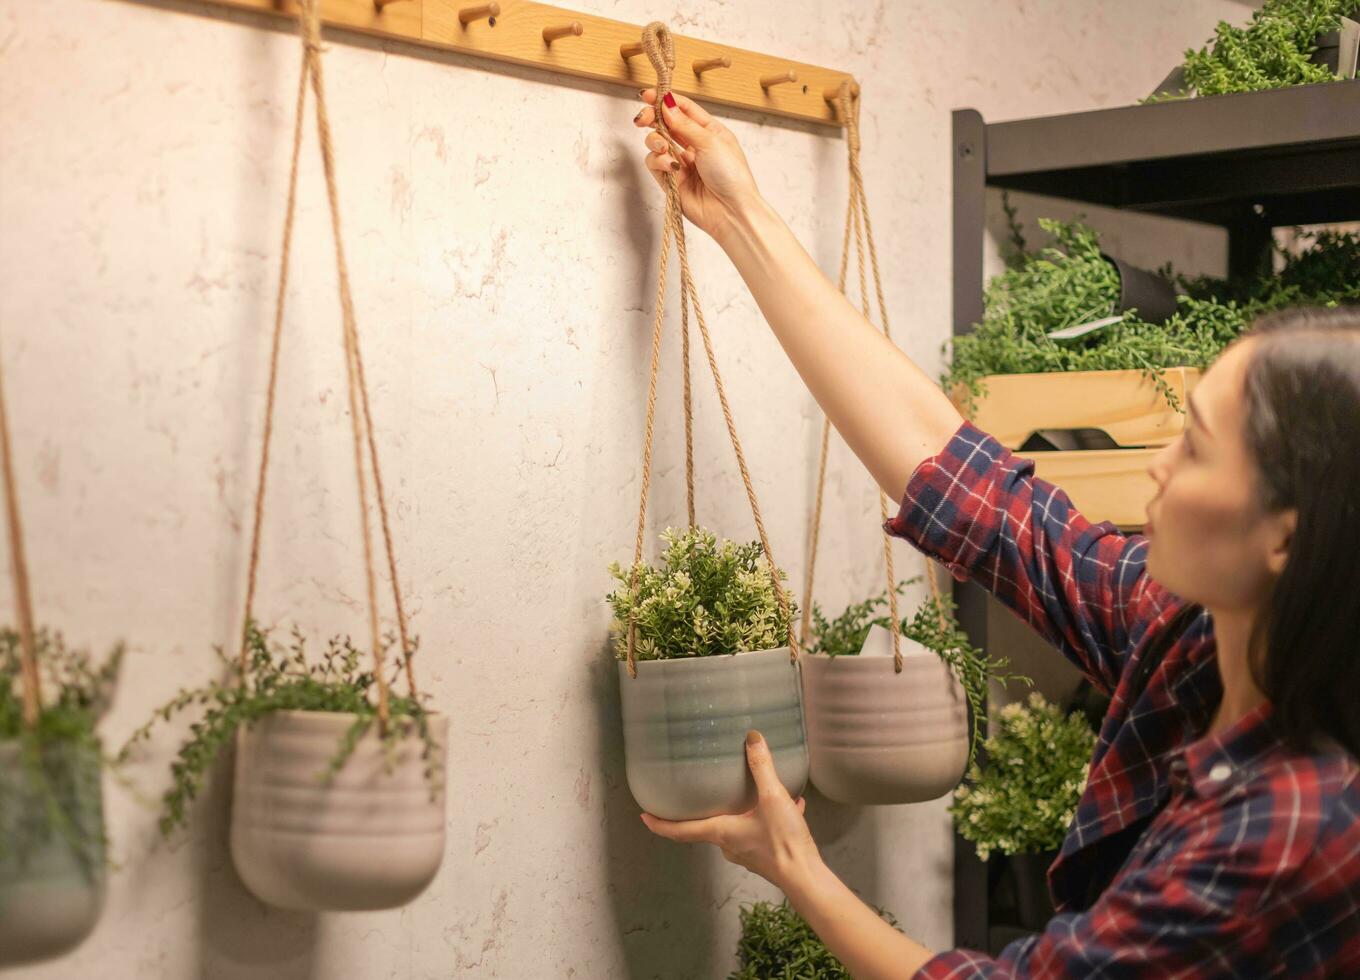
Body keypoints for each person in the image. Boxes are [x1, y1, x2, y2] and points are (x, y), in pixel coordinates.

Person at [629, 89, 1360, 978]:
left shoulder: (1294, 832)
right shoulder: (1196, 636)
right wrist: (742, 217)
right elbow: (975, 493)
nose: (1159, 464)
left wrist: (796, 869)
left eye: (1198, 445)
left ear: (1286, 536)